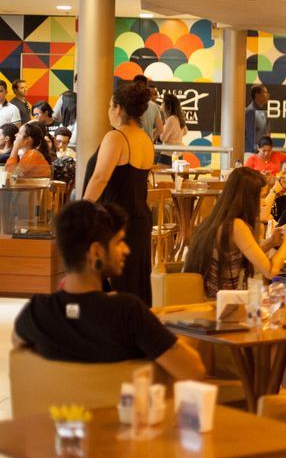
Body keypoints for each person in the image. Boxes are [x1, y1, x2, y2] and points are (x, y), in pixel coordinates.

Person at [12, 200, 205, 380]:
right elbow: (194, 371)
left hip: (61, 406)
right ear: (96, 252)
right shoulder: (127, 312)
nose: (126, 250)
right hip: (121, 406)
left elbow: (17, 345)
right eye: (118, 242)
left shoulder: (37, 312)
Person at [82, 82, 155, 304]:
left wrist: (82, 209)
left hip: (118, 220)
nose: (108, 111)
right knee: (136, 283)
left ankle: (118, 323)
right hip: (140, 218)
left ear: (118, 108)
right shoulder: (145, 138)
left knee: (118, 282)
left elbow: (100, 177)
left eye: (109, 105)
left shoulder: (116, 137)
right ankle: (136, 322)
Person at [184, 167, 286, 299]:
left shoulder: (215, 219)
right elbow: (270, 271)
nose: (264, 203)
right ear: (246, 198)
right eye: (261, 197)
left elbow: (245, 253)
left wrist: (272, 242)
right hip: (215, 304)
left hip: (200, 299)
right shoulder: (236, 226)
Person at [132, 75, 164, 143]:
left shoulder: (129, 103)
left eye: (155, 94)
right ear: (146, 87)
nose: (153, 97)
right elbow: (160, 129)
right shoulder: (153, 106)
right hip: (147, 144)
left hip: (133, 142)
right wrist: (150, 138)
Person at [244, 84, 269, 154]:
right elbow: (251, 135)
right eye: (265, 93)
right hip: (251, 152)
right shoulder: (251, 111)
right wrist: (258, 150)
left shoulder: (260, 110)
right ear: (257, 96)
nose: (268, 95)